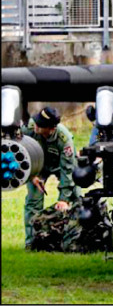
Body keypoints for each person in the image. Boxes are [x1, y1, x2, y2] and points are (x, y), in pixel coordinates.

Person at [21, 106, 81, 249]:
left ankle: (74, 240)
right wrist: (32, 176)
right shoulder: (29, 129)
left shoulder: (64, 139)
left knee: (76, 197)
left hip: (61, 166)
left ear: (51, 129)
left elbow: (68, 171)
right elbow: (20, 154)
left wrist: (63, 199)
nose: (36, 125)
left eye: (41, 124)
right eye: (37, 121)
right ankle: (31, 242)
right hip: (37, 167)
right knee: (33, 201)